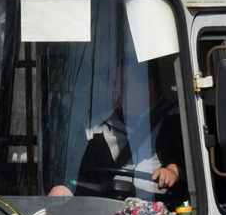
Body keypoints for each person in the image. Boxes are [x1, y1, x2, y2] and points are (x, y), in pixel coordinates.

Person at [48, 59, 187, 205]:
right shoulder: (93, 129)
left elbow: (194, 164)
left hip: (159, 213)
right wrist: (61, 190)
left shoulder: (177, 118)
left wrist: (174, 171)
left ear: (149, 87)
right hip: (105, 213)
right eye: (114, 84)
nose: (116, 89)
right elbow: (70, 176)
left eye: (124, 84)